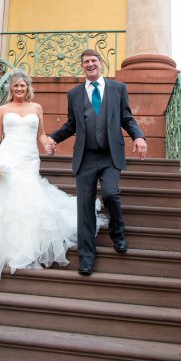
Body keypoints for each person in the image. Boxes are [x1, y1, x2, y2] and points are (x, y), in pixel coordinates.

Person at [0, 69, 106, 281]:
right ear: (11, 88)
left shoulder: (36, 107)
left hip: (29, 157)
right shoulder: (3, 109)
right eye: (15, 85)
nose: (19, 89)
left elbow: (41, 134)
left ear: (28, 88)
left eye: (22, 85)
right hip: (8, 155)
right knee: (8, 197)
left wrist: (48, 144)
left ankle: (26, 246)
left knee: (28, 198)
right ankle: (8, 249)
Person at [46, 49, 147, 277]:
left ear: (101, 63)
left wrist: (138, 137)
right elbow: (71, 124)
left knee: (110, 194)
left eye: (93, 60)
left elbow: (127, 118)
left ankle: (117, 233)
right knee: (85, 208)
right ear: (82, 66)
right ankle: (86, 259)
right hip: (86, 157)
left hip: (110, 155)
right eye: (86, 62)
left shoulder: (118, 89)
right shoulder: (74, 94)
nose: (90, 64)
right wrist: (54, 138)